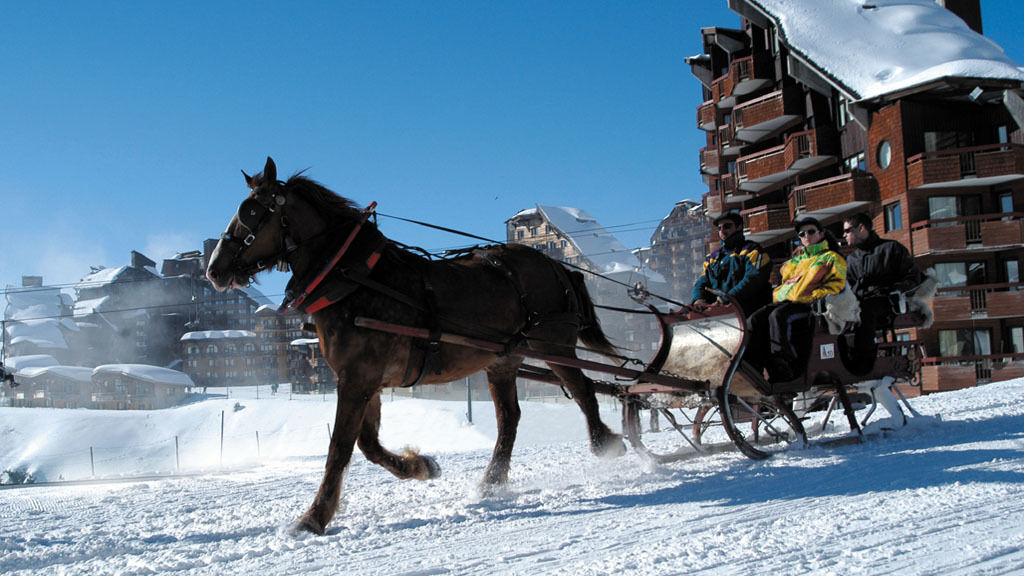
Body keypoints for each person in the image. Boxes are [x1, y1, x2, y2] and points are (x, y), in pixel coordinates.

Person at [746, 216, 847, 382]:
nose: (806, 236)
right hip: (787, 302)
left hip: (810, 305)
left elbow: (835, 285)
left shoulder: (831, 258)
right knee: (755, 319)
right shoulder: (793, 263)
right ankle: (753, 364)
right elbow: (783, 287)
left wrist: (812, 296)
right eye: (802, 234)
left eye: (811, 232)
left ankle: (783, 362)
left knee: (778, 316)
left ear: (821, 234)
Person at [842, 212, 920, 365]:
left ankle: (863, 361)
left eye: (847, 230)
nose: (844, 235)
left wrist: (895, 291)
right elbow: (847, 286)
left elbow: (912, 277)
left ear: (861, 228)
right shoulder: (852, 259)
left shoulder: (891, 249)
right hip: (859, 302)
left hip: (887, 302)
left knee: (864, 310)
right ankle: (841, 358)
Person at [691, 212, 772, 316]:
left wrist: (725, 299)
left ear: (739, 227)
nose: (722, 231)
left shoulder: (753, 251)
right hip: (720, 314)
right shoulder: (713, 258)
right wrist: (699, 300)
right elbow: (701, 283)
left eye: (727, 226)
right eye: (719, 228)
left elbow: (753, 280)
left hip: (749, 310)